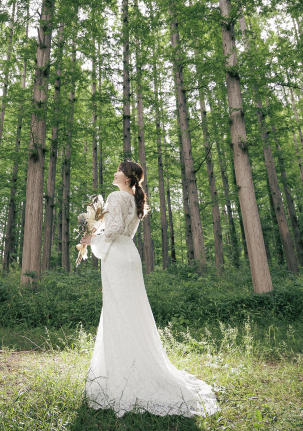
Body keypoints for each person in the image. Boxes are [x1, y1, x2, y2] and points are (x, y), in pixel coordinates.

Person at [79, 161, 219, 417]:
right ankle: (134, 367)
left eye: (119, 169)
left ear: (128, 177)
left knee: (118, 313)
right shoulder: (135, 201)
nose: (115, 171)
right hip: (130, 257)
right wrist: (98, 232)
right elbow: (120, 230)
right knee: (132, 313)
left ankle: (123, 377)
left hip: (118, 260)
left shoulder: (115, 196)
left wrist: (91, 239)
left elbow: (111, 231)